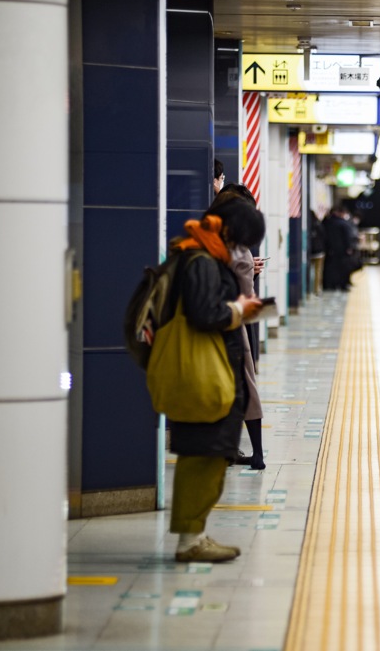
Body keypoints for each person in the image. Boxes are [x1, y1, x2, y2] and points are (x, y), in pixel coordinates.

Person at [166, 196, 265, 562]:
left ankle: (195, 534)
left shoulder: (202, 254)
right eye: (241, 240)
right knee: (201, 456)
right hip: (202, 369)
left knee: (206, 455)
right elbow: (205, 313)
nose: (242, 249)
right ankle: (190, 541)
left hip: (209, 366)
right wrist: (240, 309)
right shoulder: (201, 261)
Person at [213, 183, 266, 470]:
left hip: (203, 326)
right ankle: (257, 454)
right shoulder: (240, 249)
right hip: (232, 328)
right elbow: (247, 298)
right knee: (246, 386)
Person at [322, 201, 355, 291]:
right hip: (342, 250)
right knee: (343, 268)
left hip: (329, 249)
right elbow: (347, 237)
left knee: (331, 268)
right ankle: (342, 285)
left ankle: (330, 285)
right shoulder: (343, 223)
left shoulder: (327, 222)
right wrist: (349, 248)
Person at [308, 209, 326, 296]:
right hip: (319, 251)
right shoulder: (319, 224)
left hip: (310, 252)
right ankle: (316, 289)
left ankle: (308, 289)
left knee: (309, 270)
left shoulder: (307, 225)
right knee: (318, 271)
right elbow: (324, 236)